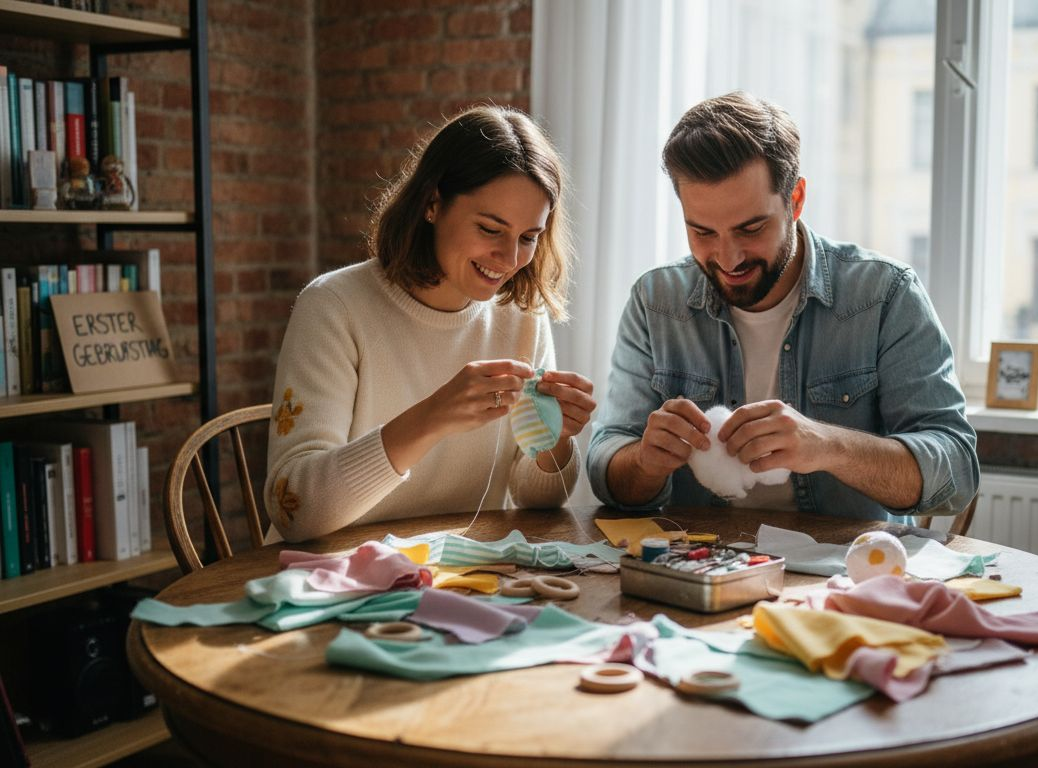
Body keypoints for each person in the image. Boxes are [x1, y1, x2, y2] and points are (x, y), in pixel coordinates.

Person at [587, 92, 977, 523]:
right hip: (697, 571)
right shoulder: (656, 302)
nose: (728, 257)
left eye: (750, 228)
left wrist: (827, 446)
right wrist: (644, 462)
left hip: (841, 575)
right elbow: (606, 466)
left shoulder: (884, 295)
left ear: (795, 200)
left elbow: (955, 474)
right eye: (702, 232)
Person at [265, 106, 595, 542]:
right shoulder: (332, 307)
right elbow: (295, 512)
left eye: (529, 238)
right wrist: (433, 418)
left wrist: (555, 438)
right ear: (432, 204)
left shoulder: (521, 318)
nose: (511, 258)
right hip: (331, 583)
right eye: (490, 229)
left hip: (459, 578)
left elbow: (536, 500)